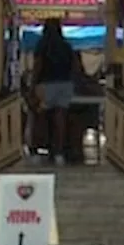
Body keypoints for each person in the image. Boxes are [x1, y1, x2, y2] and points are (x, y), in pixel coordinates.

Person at [32, 17, 77, 164]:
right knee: (60, 119)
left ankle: (38, 150)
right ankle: (59, 152)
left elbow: (38, 66)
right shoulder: (66, 46)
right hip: (65, 84)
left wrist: (32, 84)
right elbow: (73, 67)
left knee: (40, 117)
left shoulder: (42, 44)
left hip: (46, 84)